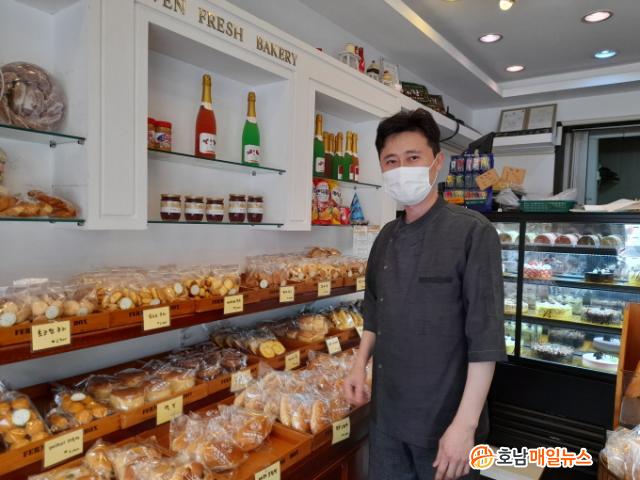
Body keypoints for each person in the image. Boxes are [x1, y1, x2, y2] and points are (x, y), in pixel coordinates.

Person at [344, 108, 506, 480]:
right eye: (391, 161)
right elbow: (375, 311)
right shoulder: (385, 237)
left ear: (437, 163)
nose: (401, 169)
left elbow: (486, 339)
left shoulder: (473, 233)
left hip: (446, 426)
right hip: (387, 420)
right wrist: (358, 364)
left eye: (412, 158)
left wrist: (465, 426)